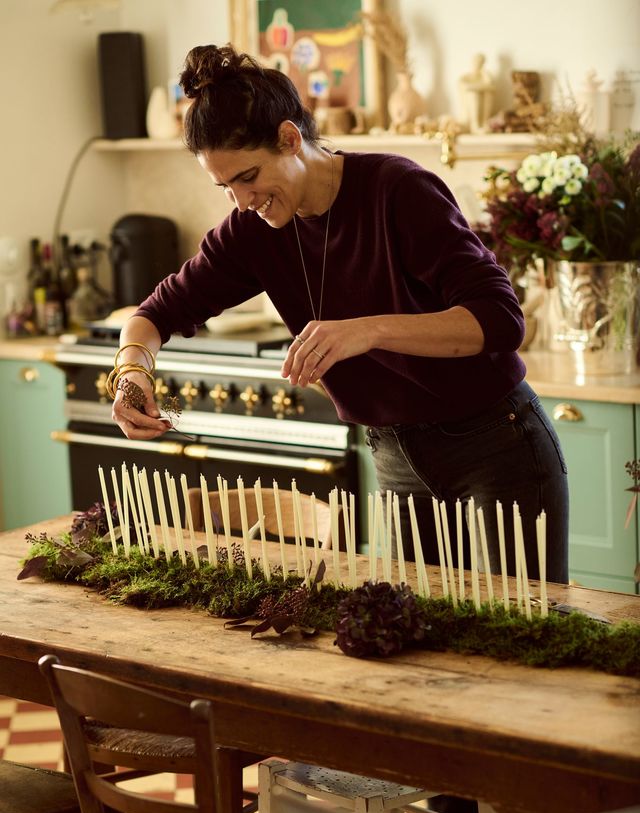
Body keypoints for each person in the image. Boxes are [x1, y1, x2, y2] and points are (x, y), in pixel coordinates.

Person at [110, 43, 569, 586]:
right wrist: (133, 372)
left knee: (526, 636)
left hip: (496, 448)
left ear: (289, 138)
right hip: (395, 456)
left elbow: (499, 320)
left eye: (249, 177)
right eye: (226, 186)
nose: (241, 200)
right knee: (416, 645)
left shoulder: (398, 190)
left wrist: (366, 331)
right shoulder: (252, 232)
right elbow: (153, 314)